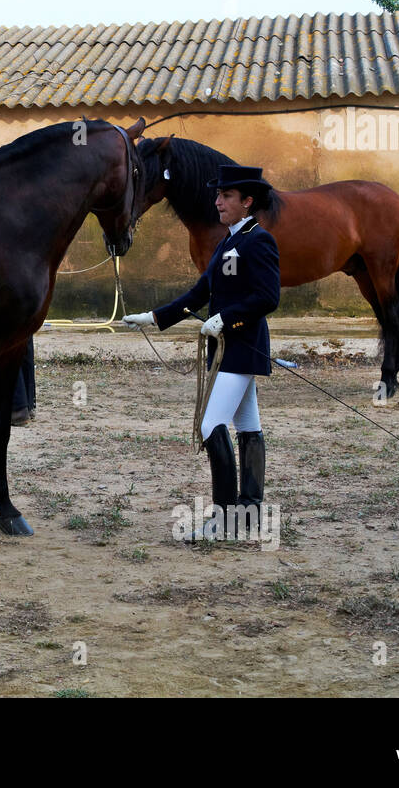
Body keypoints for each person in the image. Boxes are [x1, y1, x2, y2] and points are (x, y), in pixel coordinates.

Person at [123, 164, 280, 541]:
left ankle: (224, 521)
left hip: (242, 347)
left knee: (211, 425)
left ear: (247, 201)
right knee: (247, 426)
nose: (218, 202)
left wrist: (227, 319)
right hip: (227, 349)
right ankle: (249, 513)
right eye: (218, 195)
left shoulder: (259, 241)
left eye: (226, 196)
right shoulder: (228, 241)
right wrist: (155, 317)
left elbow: (267, 297)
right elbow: (199, 294)